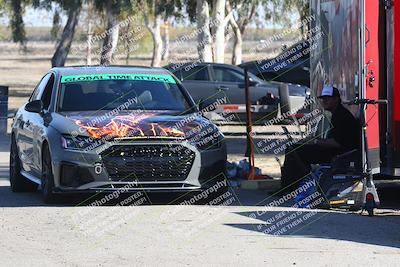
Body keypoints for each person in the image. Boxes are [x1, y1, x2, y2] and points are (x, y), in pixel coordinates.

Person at [280, 85, 360, 191]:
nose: (324, 101)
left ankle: (290, 188)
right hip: (337, 151)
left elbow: (338, 143)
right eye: (323, 99)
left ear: (336, 99)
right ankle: (297, 186)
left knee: (294, 150)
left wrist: (314, 141)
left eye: (327, 99)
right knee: (295, 148)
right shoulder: (337, 113)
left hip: (341, 154)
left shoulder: (341, 116)